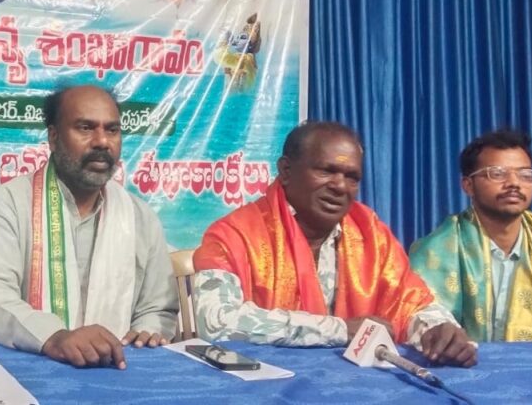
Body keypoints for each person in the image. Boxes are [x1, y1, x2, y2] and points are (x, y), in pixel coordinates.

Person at [193, 121, 477, 367]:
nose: (340, 186)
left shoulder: (371, 235)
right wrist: (339, 330)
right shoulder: (233, 235)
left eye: (352, 177)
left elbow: (409, 302)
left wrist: (437, 330)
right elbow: (217, 322)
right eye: (326, 171)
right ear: (286, 171)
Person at [0, 85, 177, 369]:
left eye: (112, 130)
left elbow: (157, 308)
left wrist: (145, 333)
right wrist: (53, 337)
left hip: (116, 371)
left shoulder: (139, 216)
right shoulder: (8, 204)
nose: (102, 142)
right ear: (53, 137)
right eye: (85, 128)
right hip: (26, 368)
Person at [410, 129, 532, 342]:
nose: (514, 183)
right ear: (468, 185)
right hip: (465, 363)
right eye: (497, 174)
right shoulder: (434, 251)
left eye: (525, 175)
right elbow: (421, 319)